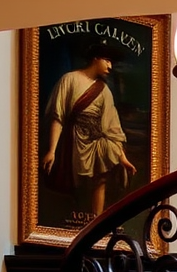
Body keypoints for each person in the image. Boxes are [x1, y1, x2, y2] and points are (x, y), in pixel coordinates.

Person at [42, 39, 136, 217]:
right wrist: (52, 151)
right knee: (75, 188)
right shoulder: (69, 79)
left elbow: (112, 128)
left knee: (100, 179)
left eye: (112, 62)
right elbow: (58, 116)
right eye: (107, 61)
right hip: (74, 141)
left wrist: (123, 159)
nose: (110, 66)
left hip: (96, 143)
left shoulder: (104, 91)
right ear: (96, 58)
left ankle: (95, 222)